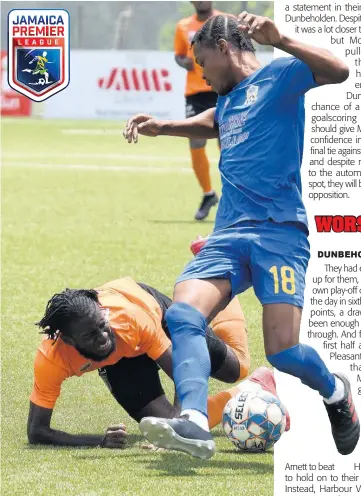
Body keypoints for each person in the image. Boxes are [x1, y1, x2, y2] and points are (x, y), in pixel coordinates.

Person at [123, 13, 359, 459]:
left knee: (284, 351)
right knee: (183, 313)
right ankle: (192, 421)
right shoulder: (229, 99)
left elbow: (339, 71)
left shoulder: (281, 75)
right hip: (228, 233)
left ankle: (335, 393)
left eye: (203, 61)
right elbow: (215, 121)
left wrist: (283, 38)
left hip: (280, 233)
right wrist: (165, 126)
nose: (202, 72)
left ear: (226, 49)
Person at [28, 276, 252, 448]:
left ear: (102, 313)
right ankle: (253, 388)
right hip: (122, 356)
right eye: (89, 336)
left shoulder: (129, 319)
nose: (103, 337)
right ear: (67, 340)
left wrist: (179, 425)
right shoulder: (52, 360)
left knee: (236, 368)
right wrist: (99, 440)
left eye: (101, 325)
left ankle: (222, 283)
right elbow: (37, 431)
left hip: (152, 313)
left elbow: (184, 373)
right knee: (163, 426)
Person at [174, 1, 220, 220]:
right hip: (195, 92)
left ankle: (235, 195)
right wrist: (186, 62)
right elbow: (179, 54)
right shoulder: (183, 26)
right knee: (195, 142)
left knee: (229, 144)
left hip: (222, 88)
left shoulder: (223, 21)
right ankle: (208, 194)